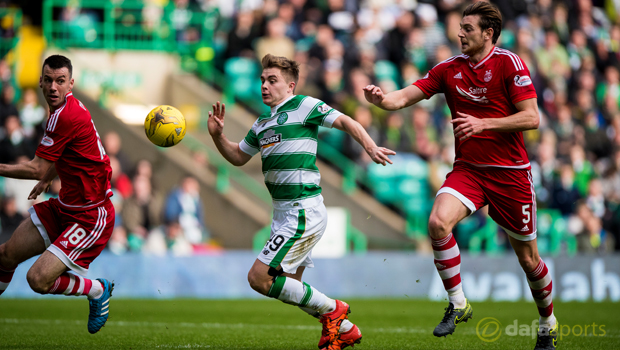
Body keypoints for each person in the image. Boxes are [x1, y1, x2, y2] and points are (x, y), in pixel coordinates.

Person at [364, 3, 557, 350]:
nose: (459, 34)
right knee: (438, 223)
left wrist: (485, 123)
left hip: (510, 174)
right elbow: (404, 97)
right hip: (469, 170)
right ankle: (458, 303)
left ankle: (547, 322)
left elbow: (532, 118)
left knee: (529, 260)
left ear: (488, 33)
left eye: (467, 28)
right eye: (459, 27)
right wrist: (382, 101)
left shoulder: (509, 64)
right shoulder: (448, 69)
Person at [208, 54, 395, 350]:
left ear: (290, 85)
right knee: (289, 286)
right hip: (283, 215)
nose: (265, 86)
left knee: (259, 278)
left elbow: (346, 121)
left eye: (272, 80)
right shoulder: (261, 123)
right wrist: (218, 137)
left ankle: (335, 309)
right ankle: (345, 329)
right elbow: (238, 157)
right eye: (262, 80)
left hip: (302, 211)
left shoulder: (303, 105)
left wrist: (369, 146)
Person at [0, 55, 115, 334]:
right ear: (40, 80)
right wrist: (50, 176)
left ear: (70, 84)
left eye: (60, 81)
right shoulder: (60, 111)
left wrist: (41, 174)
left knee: (37, 279)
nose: (53, 86)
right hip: (64, 207)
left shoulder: (66, 115)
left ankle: (97, 289)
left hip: (90, 216)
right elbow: (67, 155)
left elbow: (37, 167)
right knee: (5, 255)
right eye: (49, 80)